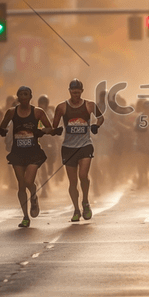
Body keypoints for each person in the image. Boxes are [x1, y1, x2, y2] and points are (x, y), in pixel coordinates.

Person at [0, 86, 58, 227]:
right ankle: (25, 216)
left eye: (26, 94)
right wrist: (2, 131)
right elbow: (2, 126)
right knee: (21, 185)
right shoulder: (12, 112)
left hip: (33, 152)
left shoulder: (38, 112)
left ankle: (34, 195)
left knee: (28, 181)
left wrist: (43, 131)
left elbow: (49, 128)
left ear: (31, 97)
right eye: (20, 95)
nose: (23, 97)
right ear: (18, 97)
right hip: (18, 152)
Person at [51, 79, 104, 221]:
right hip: (68, 147)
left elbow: (100, 118)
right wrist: (55, 131)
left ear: (82, 91)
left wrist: (96, 126)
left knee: (83, 176)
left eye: (78, 92)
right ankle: (76, 209)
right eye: (73, 92)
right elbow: (54, 125)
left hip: (85, 145)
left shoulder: (89, 105)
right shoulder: (62, 107)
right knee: (73, 182)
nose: (76, 95)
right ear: (69, 91)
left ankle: (85, 201)